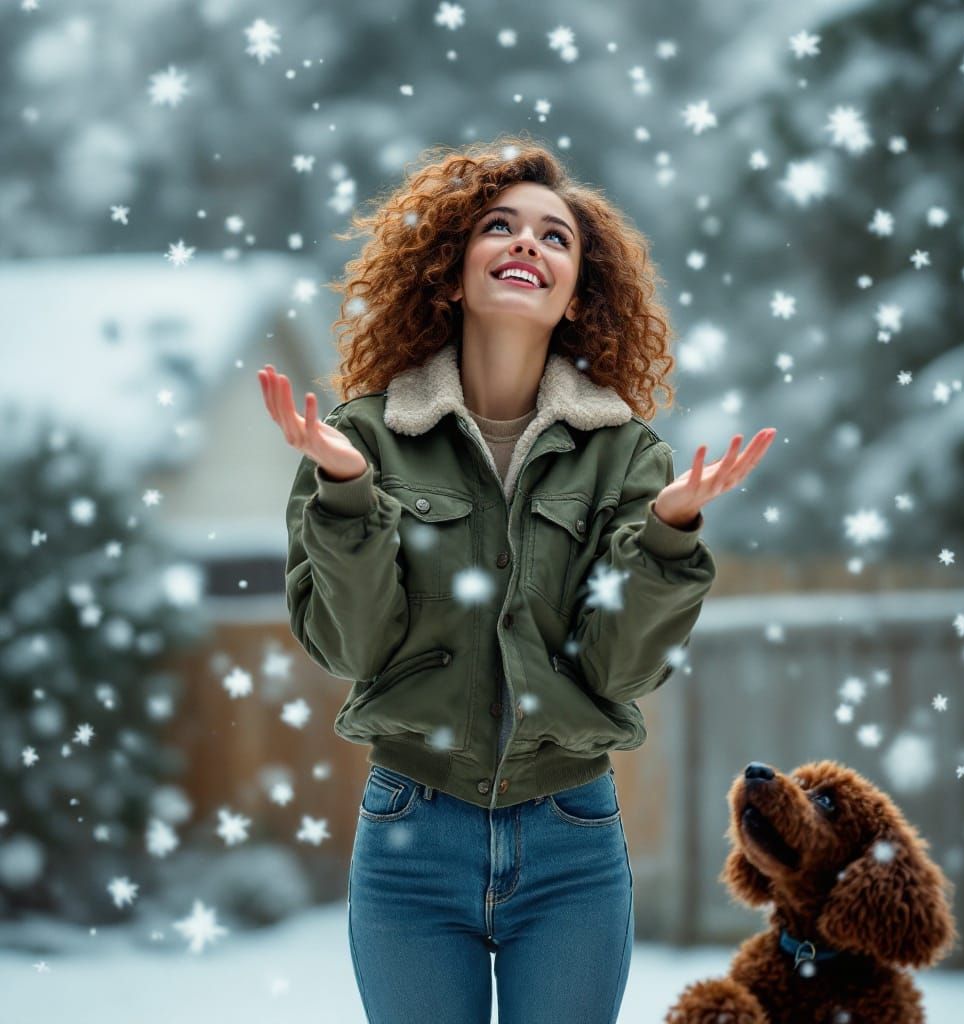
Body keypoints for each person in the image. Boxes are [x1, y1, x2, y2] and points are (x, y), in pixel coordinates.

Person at [258, 136, 775, 1024]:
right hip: (411, 840)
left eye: (555, 236)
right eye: (500, 226)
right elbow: (352, 648)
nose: (528, 241)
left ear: (578, 297)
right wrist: (346, 493)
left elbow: (617, 671)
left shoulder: (628, 458)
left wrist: (666, 533)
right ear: (451, 274)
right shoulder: (359, 440)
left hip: (571, 841)